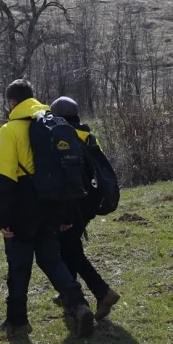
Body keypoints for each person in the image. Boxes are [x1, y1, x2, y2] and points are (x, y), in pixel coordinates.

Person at [0, 80, 94, 338]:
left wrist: (2, 218)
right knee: (51, 259)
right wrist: (66, 212)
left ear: (12, 103)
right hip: (52, 203)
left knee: (18, 264)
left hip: (22, 204)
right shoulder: (52, 123)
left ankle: (17, 321)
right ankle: (79, 305)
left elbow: (5, 178)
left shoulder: (10, 130)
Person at [50, 96, 121, 320]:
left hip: (75, 202)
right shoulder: (88, 135)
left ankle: (102, 291)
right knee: (69, 245)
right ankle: (67, 292)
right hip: (92, 200)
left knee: (69, 248)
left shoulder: (64, 136)